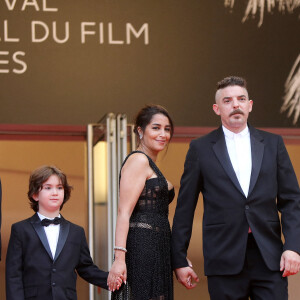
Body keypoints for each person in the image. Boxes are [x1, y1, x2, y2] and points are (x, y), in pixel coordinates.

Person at [171, 76, 300, 300]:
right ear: (217, 108)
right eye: (228, 101)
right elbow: (185, 208)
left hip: (269, 256)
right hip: (223, 257)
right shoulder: (200, 149)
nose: (236, 105)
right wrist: (179, 259)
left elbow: (292, 201)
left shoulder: (274, 144)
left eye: (241, 99)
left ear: (250, 105)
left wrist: (293, 247)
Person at [6, 165, 120, 300]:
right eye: (48, 188)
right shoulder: (20, 229)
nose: (55, 192)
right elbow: (13, 275)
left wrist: (113, 279)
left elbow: (86, 268)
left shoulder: (76, 232)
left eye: (59, 188)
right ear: (35, 194)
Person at [108, 104, 175, 300]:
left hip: (158, 246)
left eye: (167, 129)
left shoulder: (150, 163)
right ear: (140, 130)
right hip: (142, 246)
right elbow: (124, 212)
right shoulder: (138, 160)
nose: (162, 134)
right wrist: (119, 259)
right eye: (156, 127)